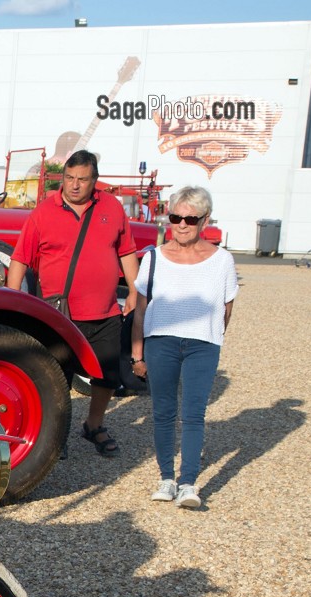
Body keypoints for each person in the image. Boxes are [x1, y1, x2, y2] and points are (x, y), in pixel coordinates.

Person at [8, 150, 139, 458]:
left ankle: (94, 424)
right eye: (69, 178)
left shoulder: (111, 207)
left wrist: (134, 291)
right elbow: (20, 258)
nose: (75, 185)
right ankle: (57, 433)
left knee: (107, 375)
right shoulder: (43, 211)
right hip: (59, 315)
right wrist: (11, 300)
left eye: (82, 179)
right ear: (62, 178)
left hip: (105, 311)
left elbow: (127, 251)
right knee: (56, 377)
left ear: (95, 181)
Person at [130, 187, 237, 510]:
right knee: (162, 413)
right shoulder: (153, 258)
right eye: (176, 217)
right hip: (161, 342)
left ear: (204, 220)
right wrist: (138, 353)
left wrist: (211, 336)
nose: (182, 224)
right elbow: (140, 309)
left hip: (202, 345)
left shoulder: (222, 261)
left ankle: (188, 483)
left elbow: (226, 308)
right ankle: (166, 477)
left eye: (190, 219)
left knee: (194, 414)